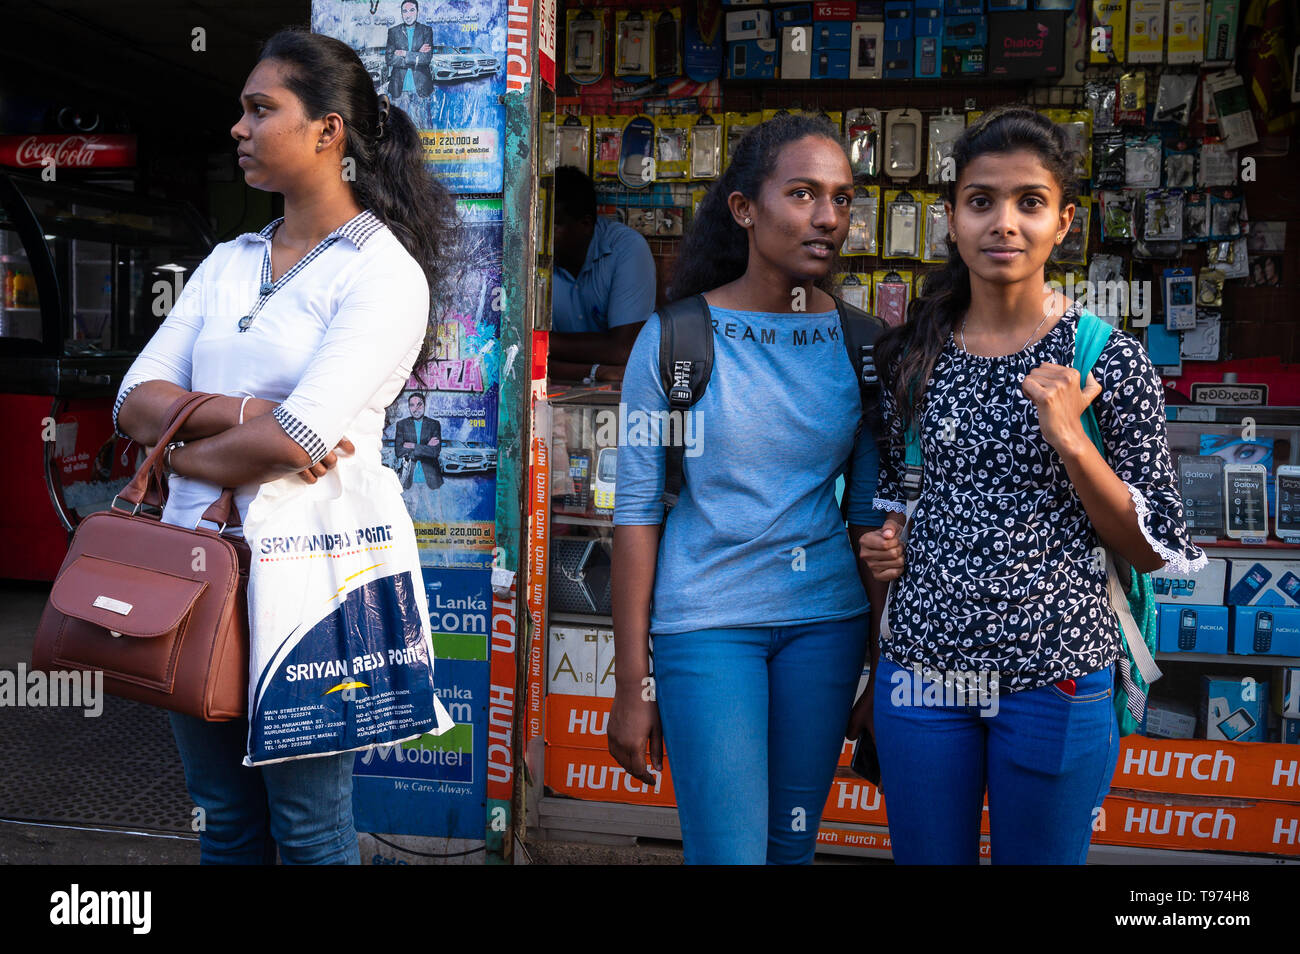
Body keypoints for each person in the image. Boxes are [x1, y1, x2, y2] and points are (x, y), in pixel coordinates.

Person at [113, 28, 458, 864]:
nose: (238, 127)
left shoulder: (380, 272)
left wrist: (185, 453)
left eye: (261, 109)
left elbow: (299, 435)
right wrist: (245, 412)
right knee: (224, 824)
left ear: (327, 132)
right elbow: (132, 401)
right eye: (242, 110)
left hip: (315, 588)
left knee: (309, 833)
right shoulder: (228, 262)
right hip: (197, 577)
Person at [853, 106, 1205, 865]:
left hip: (1054, 680)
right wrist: (891, 544)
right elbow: (900, 497)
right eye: (981, 201)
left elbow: (1155, 550)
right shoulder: (915, 355)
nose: (1003, 223)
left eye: (1029, 203)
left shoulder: (1105, 360)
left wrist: (1073, 440)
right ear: (951, 218)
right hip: (923, 676)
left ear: (1064, 223)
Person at [608, 114, 887, 864]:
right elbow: (635, 514)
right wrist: (631, 684)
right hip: (707, 625)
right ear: (744, 209)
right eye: (801, 194)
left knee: (789, 852)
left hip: (827, 628)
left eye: (841, 198)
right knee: (728, 854)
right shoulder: (674, 341)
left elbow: (868, 521)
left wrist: (883, 665)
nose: (827, 217)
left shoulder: (864, 349)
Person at [549, 165, 656, 385]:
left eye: (554, 224)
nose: (543, 233)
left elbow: (625, 350)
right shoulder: (532, 257)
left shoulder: (627, 249)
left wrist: (543, 342)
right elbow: (521, 358)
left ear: (586, 224)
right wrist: (597, 370)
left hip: (618, 394)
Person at [394, 390, 444, 519]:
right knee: (407, 519)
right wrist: (426, 446)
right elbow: (399, 451)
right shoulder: (402, 425)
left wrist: (412, 446)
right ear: (408, 407)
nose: (415, 408)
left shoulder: (434, 424)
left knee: (436, 518)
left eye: (419, 404)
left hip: (431, 480)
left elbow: (435, 452)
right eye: (412, 405)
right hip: (409, 480)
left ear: (424, 406)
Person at [386, 1, 435, 98]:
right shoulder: (393, 32)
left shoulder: (426, 30)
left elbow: (426, 58)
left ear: (417, 11)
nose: (408, 15)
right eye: (405, 11)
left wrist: (404, 53)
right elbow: (389, 58)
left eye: (412, 10)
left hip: (421, 88)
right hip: (399, 89)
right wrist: (416, 55)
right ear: (401, 13)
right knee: (398, 114)